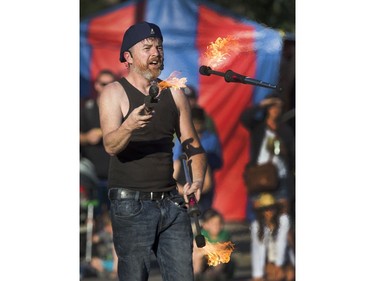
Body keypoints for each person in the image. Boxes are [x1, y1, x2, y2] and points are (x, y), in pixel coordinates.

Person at [98, 21, 207, 281]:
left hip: (171, 202)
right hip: (130, 206)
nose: (156, 53)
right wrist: (130, 126)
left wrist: (198, 180)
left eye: (159, 46)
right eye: (147, 48)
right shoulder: (114, 93)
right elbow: (111, 146)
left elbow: (193, 145)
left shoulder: (175, 93)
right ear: (128, 57)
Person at [240, 92, 295, 221]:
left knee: (283, 215)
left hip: (281, 175)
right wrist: (263, 104)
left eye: (278, 107)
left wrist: (284, 150)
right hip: (260, 175)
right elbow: (244, 118)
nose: (275, 110)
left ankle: (284, 241)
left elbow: (292, 153)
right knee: (261, 214)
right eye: (272, 107)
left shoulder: (285, 129)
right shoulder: (258, 127)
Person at [173, 106, 223, 214]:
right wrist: (182, 190)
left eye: (199, 123)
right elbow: (176, 161)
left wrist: (205, 160)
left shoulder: (211, 138)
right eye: (194, 123)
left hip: (203, 184)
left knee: (202, 215)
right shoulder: (181, 138)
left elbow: (218, 163)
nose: (196, 126)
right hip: (183, 187)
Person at [80, 69, 117, 213]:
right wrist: (86, 137)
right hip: (91, 175)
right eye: (103, 84)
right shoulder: (87, 110)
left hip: (116, 176)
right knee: (91, 214)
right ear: (96, 85)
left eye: (110, 84)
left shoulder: (121, 109)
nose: (106, 88)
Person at [249, 193, 293, 281]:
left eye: (272, 208)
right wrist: (257, 274)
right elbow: (256, 249)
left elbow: (282, 242)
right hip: (268, 261)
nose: (269, 212)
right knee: (274, 276)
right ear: (261, 211)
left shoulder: (283, 220)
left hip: (285, 259)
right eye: (265, 209)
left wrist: (278, 264)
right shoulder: (256, 226)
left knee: (289, 274)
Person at [192, 208, 235, 281]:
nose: (216, 226)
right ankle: (196, 276)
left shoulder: (224, 234)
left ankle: (212, 276)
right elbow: (196, 248)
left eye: (219, 223)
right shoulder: (201, 234)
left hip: (220, 265)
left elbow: (222, 250)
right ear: (205, 225)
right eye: (213, 223)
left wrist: (207, 250)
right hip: (203, 260)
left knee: (219, 259)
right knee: (196, 256)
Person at [90, 214, 118, 279]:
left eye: (106, 226)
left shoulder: (117, 235)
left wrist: (115, 267)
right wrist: (93, 226)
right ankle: (109, 274)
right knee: (94, 262)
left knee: (115, 248)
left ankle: (114, 272)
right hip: (110, 261)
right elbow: (94, 238)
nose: (105, 228)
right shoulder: (106, 234)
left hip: (116, 263)